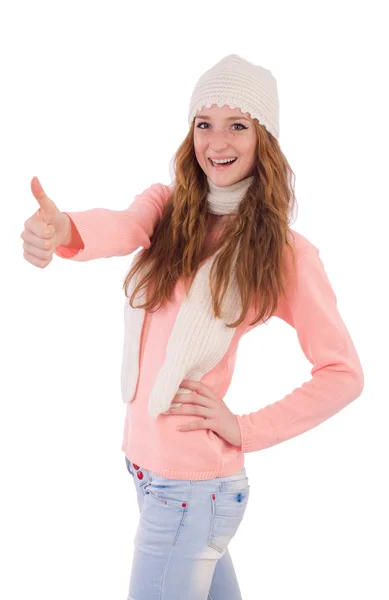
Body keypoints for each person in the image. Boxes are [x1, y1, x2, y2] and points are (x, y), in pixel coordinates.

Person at [20, 54, 364, 599]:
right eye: (204, 124)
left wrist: (244, 428)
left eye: (238, 125)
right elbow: (120, 226)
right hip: (147, 474)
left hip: (191, 490)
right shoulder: (167, 209)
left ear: (264, 138)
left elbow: (343, 373)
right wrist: (62, 227)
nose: (217, 142)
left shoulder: (284, 254)